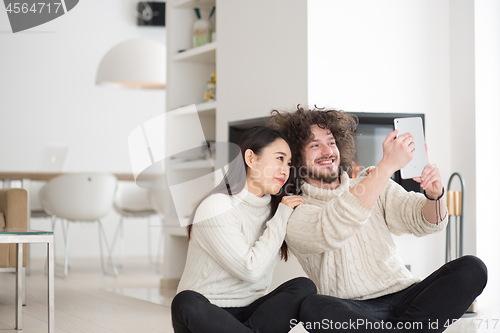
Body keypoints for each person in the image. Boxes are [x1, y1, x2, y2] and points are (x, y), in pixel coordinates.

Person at [269, 107, 487, 333]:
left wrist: (435, 195)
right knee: (313, 308)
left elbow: (427, 222)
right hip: (355, 311)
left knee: (473, 268)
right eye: (314, 145)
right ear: (295, 156)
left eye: (331, 142)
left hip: (406, 297)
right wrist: (386, 168)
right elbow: (333, 228)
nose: (327, 151)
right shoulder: (293, 209)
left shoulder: (371, 181)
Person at [171, 126, 317, 333]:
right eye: (279, 158)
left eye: (289, 163)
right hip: (209, 312)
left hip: (252, 315)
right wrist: (282, 215)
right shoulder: (217, 206)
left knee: (304, 287)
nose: (285, 169)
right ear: (250, 158)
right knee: (185, 301)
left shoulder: (276, 208)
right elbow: (250, 270)